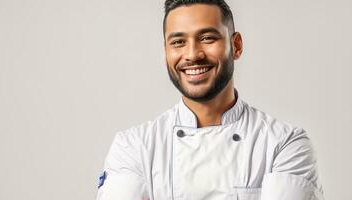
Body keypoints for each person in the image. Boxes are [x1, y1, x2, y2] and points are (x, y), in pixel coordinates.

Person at [96, 0, 324, 199]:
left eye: (207, 38)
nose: (193, 54)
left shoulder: (283, 144)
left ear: (236, 46)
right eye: (178, 42)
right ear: (166, 50)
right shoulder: (133, 147)